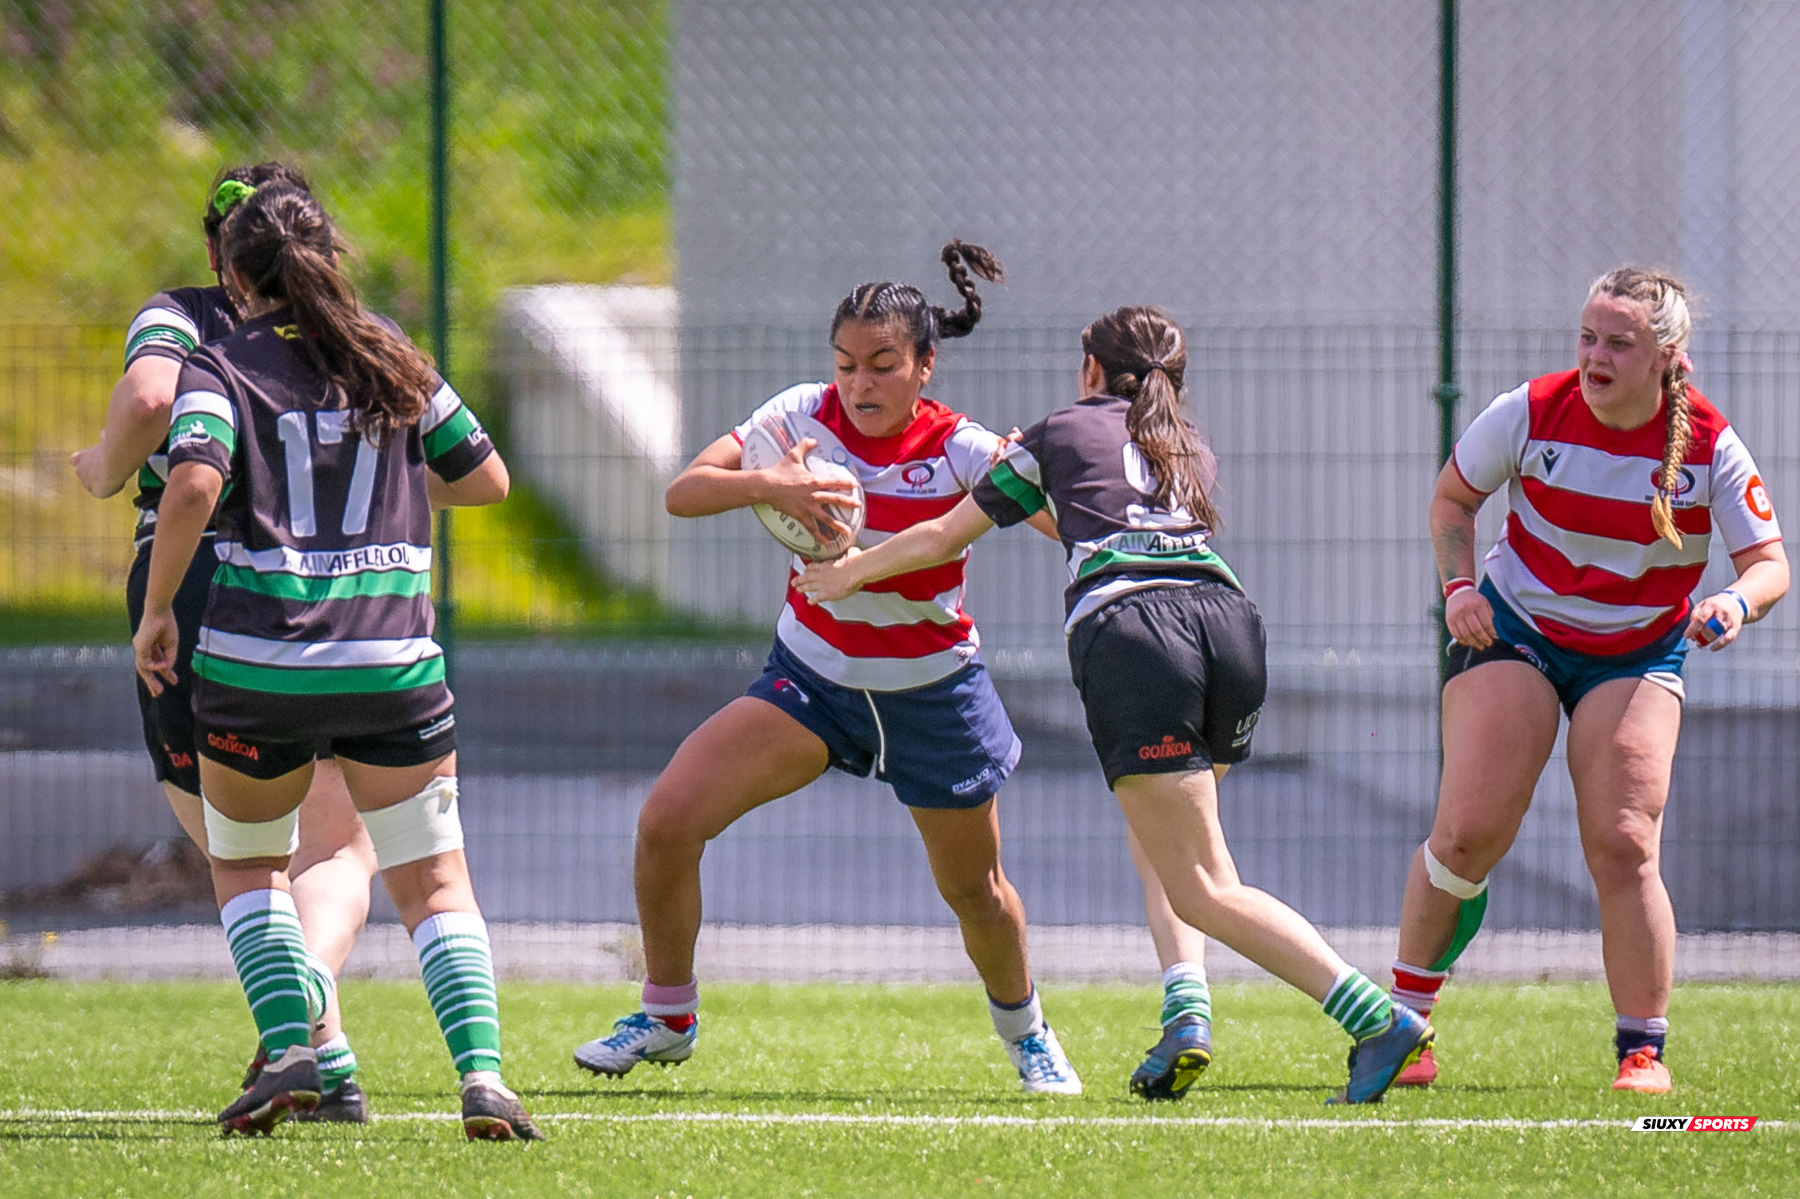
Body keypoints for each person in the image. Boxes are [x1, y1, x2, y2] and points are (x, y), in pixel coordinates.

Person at [798, 305, 1432, 1104]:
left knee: (1203, 881)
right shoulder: (1182, 441)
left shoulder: (1056, 432)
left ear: (1090, 369)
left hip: (1138, 634)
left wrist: (846, 572)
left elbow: (941, 536)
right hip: (1230, 626)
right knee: (1173, 847)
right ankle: (1186, 1011)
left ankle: (1376, 1017)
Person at [571, 242, 1083, 1094]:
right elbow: (685, 490)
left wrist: (1077, 493)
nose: (859, 384)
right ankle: (666, 1016)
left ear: (925, 365)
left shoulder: (960, 447)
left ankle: (1027, 1029)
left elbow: (1063, 523)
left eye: (883, 365)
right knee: (667, 822)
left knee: (978, 892)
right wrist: (768, 483)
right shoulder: (797, 418)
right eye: (846, 364)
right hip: (811, 683)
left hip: (932, 691)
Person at [131, 181, 539, 1139]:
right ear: (332, 257)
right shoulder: (393, 354)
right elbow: (486, 477)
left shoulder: (222, 364)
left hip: (257, 662)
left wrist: (157, 611)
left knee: (251, 867)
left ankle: (292, 1052)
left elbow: (191, 485)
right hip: (393, 657)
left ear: (231, 273)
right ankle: (483, 1079)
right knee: (437, 881)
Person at [1382, 267, 1787, 1094]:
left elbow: (1770, 564)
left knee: (1625, 839)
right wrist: (1460, 588)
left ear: (1666, 357)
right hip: (1516, 630)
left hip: (1639, 652)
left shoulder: (1710, 442)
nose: (1595, 356)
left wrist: (1735, 604)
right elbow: (1453, 500)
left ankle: (1641, 1051)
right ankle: (1403, 1026)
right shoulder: (1531, 410)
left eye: (1619, 343)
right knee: (1467, 831)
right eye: (1588, 337)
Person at [71, 164, 378, 1122]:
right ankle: (316, 1029)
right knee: (337, 844)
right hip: (313, 589)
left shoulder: (181, 314)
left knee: (239, 850)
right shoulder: (343, 336)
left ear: (221, 250)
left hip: (195, 578)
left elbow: (152, 404)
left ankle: (305, 1034)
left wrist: (102, 468)